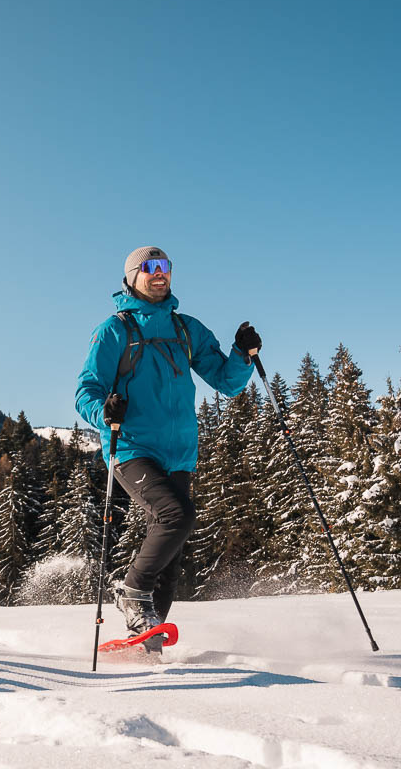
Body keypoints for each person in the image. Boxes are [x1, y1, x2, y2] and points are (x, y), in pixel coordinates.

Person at [75, 246, 261, 636]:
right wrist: (104, 410)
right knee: (177, 517)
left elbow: (225, 382)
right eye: (150, 267)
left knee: (171, 561)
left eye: (166, 267)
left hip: (179, 454)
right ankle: (132, 590)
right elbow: (86, 391)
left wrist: (242, 354)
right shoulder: (115, 330)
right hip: (132, 448)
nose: (160, 274)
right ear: (131, 276)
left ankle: (146, 637)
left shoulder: (185, 329)